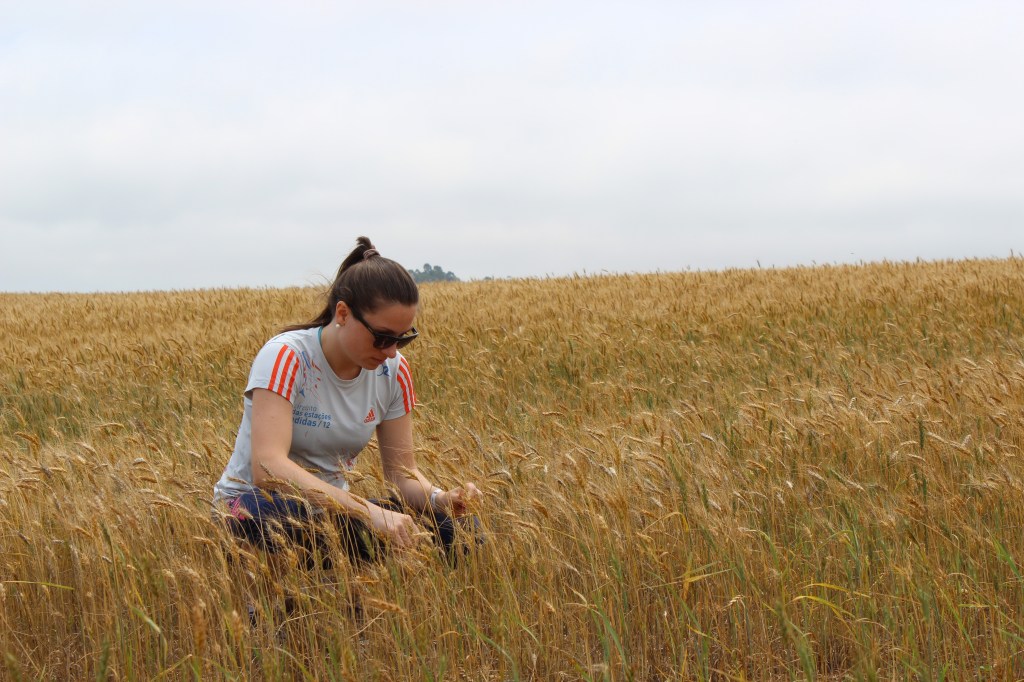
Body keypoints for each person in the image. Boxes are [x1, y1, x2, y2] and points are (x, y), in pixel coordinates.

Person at [213, 236, 481, 569]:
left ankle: (345, 577)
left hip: (335, 512)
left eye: (403, 339)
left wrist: (441, 499)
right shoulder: (287, 356)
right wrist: (368, 513)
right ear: (342, 313)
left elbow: (402, 474)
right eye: (382, 337)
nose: (391, 351)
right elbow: (268, 469)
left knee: (464, 531)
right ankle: (320, 585)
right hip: (249, 506)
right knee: (268, 515)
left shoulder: (394, 372)